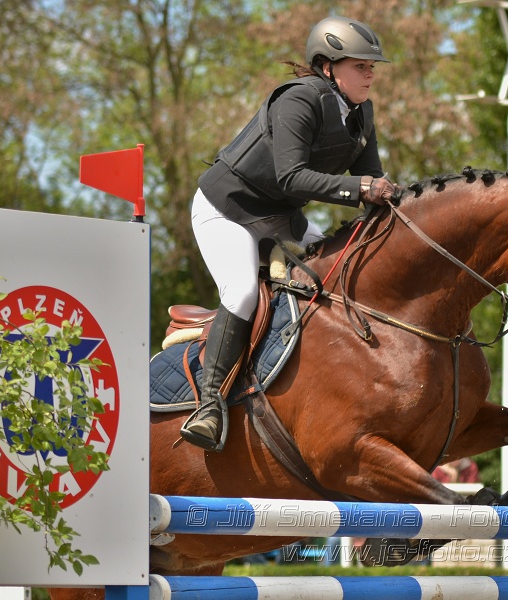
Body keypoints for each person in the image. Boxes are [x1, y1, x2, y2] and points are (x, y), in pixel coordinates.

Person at [181, 16, 397, 451]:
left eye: (372, 67)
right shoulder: (298, 101)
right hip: (229, 209)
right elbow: (292, 177)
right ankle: (209, 405)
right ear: (328, 67)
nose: (371, 74)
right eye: (361, 66)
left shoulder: (361, 113)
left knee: (338, 270)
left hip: (282, 217)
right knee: (242, 292)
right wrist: (361, 189)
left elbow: (371, 180)